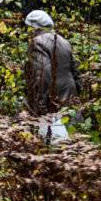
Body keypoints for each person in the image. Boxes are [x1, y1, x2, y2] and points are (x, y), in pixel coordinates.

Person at [23, 10, 82, 142]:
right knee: (72, 143)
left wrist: (40, 104)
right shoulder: (64, 41)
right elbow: (75, 72)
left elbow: (42, 75)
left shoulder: (37, 42)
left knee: (53, 143)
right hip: (70, 95)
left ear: (33, 27)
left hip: (52, 100)